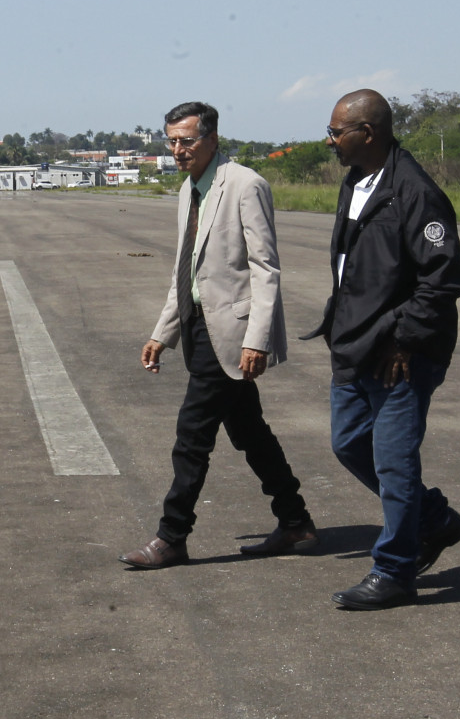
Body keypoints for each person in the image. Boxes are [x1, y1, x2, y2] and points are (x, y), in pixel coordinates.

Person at [121, 102, 315, 569]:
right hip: (196, 325)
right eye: (171, 141)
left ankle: (172, 536)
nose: (177, 150)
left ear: (211, 139)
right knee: (250, 432)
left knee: (192, 435)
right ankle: (295, 521)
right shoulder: (189, 189)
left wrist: (257, 339)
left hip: (230, 331)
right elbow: (186, 270)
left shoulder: (246, 184)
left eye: (186, 140)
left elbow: (265, 268)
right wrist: (163, 332)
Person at [304, 89, 460, 610]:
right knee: (349, 442)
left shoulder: (415, 191)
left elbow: (443, 278)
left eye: (336, 132)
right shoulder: (356, 181)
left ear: (367, 133)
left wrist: (405, 340)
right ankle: (435, 519)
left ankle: (394, 570)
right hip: (356, 342)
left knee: (395, 463)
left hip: (400, 352)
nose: (330, 141)